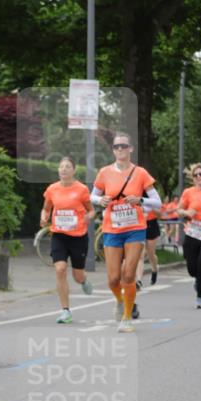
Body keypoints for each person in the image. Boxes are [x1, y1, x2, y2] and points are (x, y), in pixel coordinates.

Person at [91, 132, 161, 333]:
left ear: (131, 149)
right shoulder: (104, 172)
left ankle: (127, 317)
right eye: (116, 147)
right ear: (113, 150)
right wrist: (100, 200)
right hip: (112, 228)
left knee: (128, 275)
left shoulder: (140, 173)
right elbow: (92, 196)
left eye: (123, 146)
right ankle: (120, 301)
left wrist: (141, 200)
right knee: (113, 279)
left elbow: (158, 203)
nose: (120, 149)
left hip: (135, 228)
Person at [39, 156, 94, 323]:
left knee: (77, 276)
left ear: (74, 170)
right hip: (59, 235)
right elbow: (46, 208)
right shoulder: (52, 189)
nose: (64, 169)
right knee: (60, 269)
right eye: (61, 166)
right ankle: (65, 311)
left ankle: (83, 280)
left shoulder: (82, 189)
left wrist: (87, 218)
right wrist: (44, 217)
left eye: (67, 167)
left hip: (78, 237)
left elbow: (91, 211)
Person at [178, 163, 201, 309]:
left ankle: (200, 298)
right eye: (196, 175)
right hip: (192, 231)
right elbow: (179, 210)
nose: (199, 177)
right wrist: (186, 213)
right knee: (192, 268)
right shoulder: (188, 192)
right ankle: (196, 279)